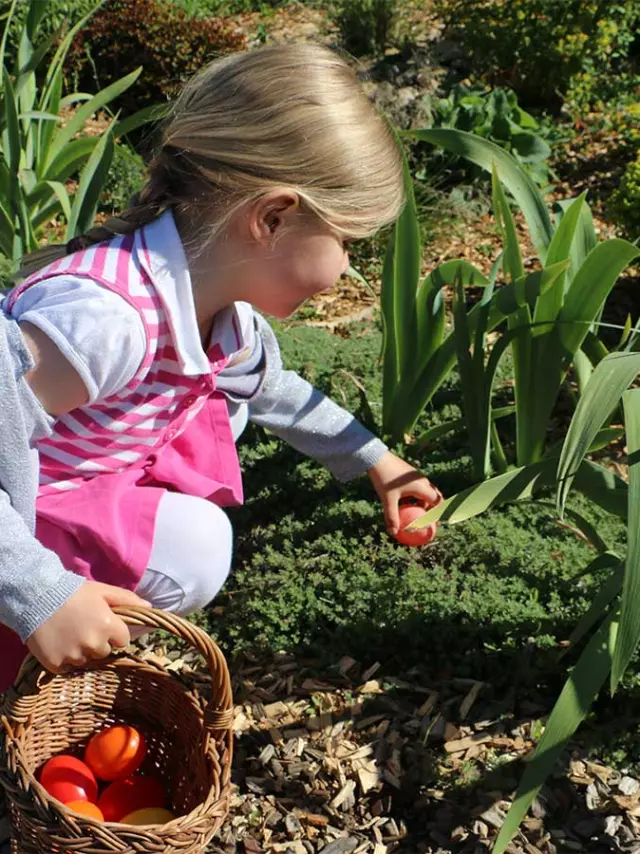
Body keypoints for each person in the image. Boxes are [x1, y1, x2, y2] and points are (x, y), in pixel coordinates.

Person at [0, 43, 441, 689]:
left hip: (82, 481)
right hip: (24, 506)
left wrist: (376, 461)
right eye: (347, 240)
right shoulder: (106, 323)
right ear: (273, 216)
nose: (347, 266)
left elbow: (270, 387)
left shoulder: (215, 306)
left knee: (202, 530)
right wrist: (40, 593)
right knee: (193, 546)